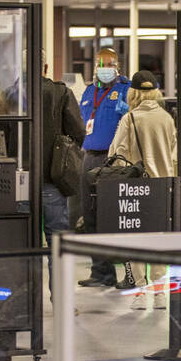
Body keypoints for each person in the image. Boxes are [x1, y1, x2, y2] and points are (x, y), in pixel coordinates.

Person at [107, 70, 176, 310]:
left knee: (134, 240)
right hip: (162, 186)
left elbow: (117, 154)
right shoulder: (167, 118)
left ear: (133, 92)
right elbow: (173, 150)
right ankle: (159, 294)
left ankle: (140, 293)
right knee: (158, 241)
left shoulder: (130, 118)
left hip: (136, 187)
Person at [77, 46, 131, 288]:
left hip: (113, 160)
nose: (104, 69)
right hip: (89, 157)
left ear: (117, 67)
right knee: (90, 217)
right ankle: (101, 272)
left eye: (109, 64)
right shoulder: (89, 91)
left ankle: (128, 275)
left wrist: (127, 108)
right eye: (101, 64)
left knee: (114, 218)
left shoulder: (125, 90)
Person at [41, 52, 86, 283]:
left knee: (19, 244)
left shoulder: (11, 95)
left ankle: (21, 303)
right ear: (46, 67)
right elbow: (79, 132)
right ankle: (60, 301)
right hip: (53, 179)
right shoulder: (61, 93)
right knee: (57, 243)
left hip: (19, 182)